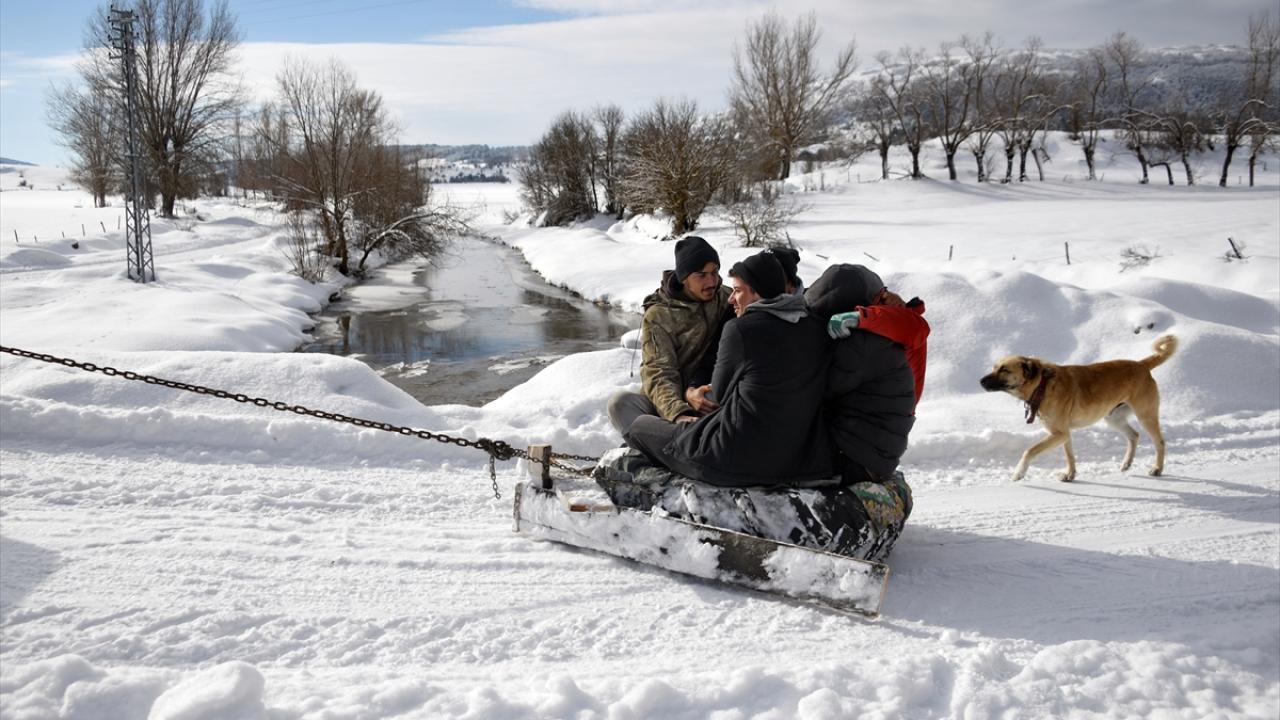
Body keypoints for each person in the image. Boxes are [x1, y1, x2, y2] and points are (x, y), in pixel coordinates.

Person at [623, 251, 832, 487]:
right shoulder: (815, 326)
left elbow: (718, 394)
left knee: (640, 427)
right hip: (802, 461)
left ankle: (658, 478)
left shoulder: (741, 329)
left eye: (738, 290)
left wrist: (691, 399)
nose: (731, 298)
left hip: (736, 460)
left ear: (757, 291)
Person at [804, 264, 928, 484]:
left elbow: (815, 390)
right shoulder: (881, 327)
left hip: (863, 451)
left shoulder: (867, 341)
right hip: (878, 443)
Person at [607, 236, 733, 435]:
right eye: (701, 275)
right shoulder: (658, 315)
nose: (711, 281)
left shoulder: (728, 298)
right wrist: (677, 412)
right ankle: (670, 439)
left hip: (710, 395)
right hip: (670, 404)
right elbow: (658, 371)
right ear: (684, 278)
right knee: (620, 404)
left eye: (715, 272)